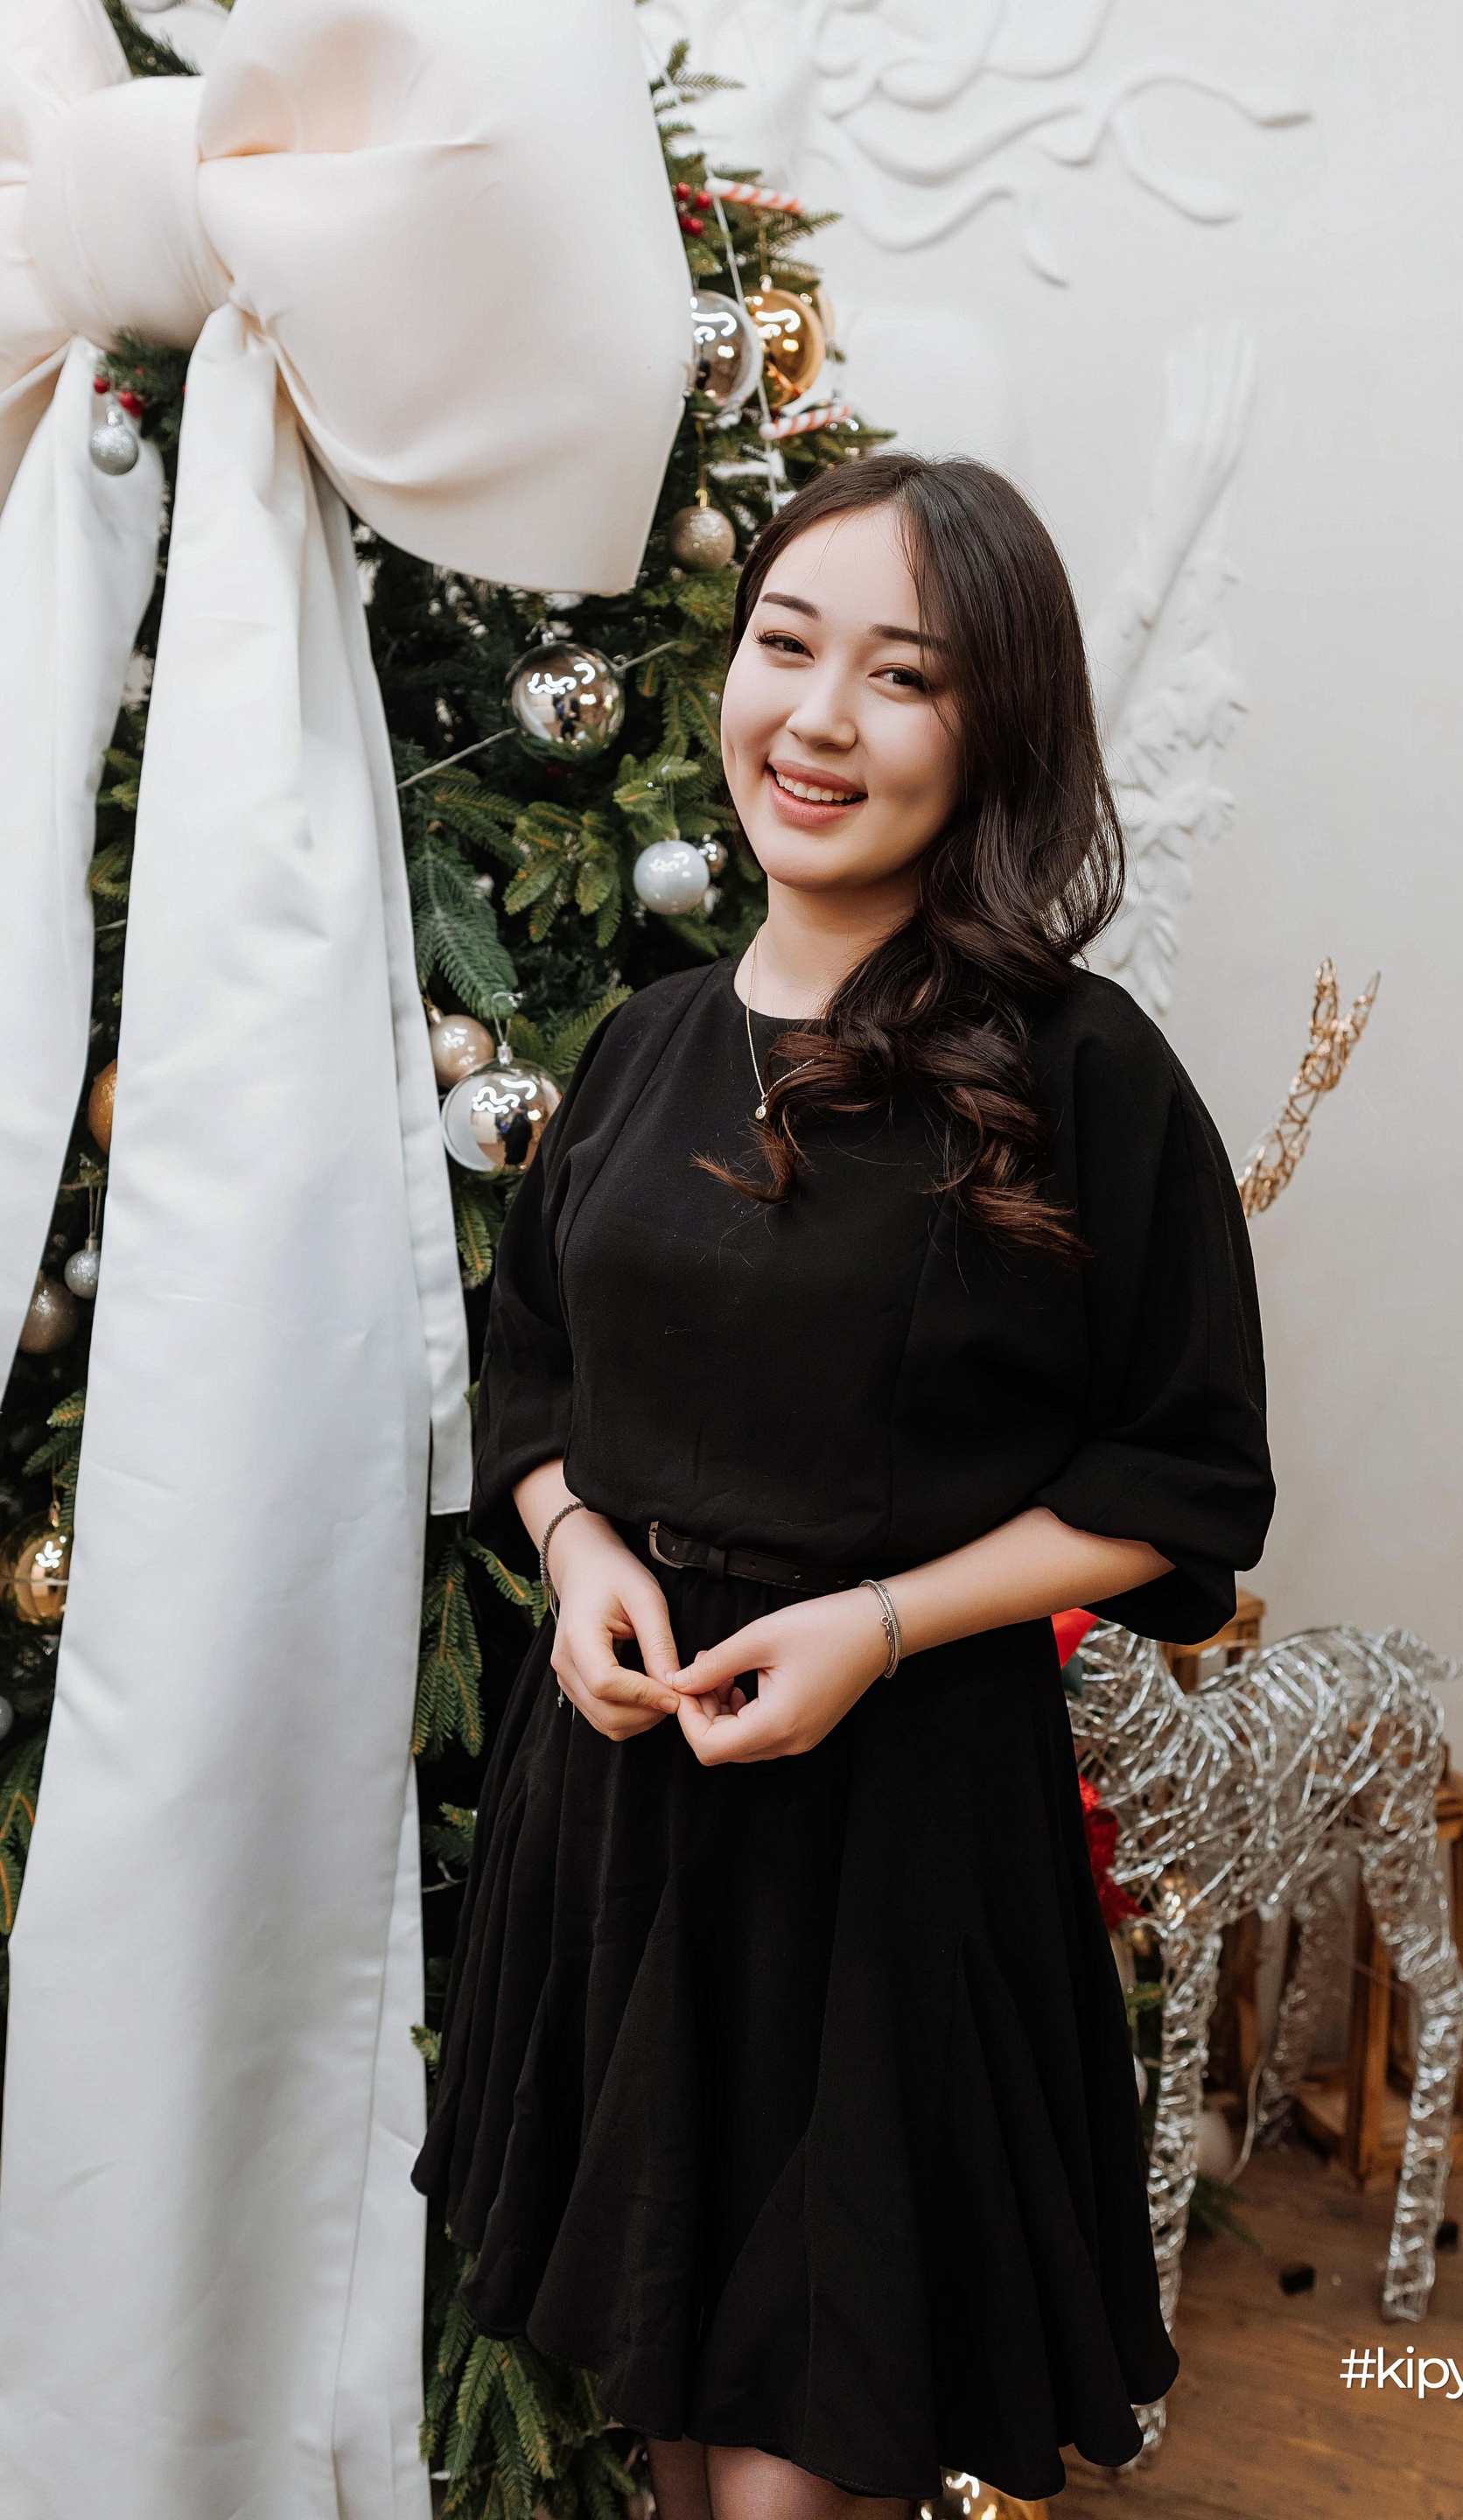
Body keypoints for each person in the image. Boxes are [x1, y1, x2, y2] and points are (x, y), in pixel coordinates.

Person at [414, 454, 1273, 2520]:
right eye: (785, 645)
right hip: (625, 1821)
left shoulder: (1081, 1071)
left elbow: (1183, 1478)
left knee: (810, 2468)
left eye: (902, 674)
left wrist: (879, 1628)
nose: (816, 719)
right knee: (675, 2435)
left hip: (894, 1844)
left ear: (993, 732)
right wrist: (580, 1552)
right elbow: (533, 1373)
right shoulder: (641, 1045)